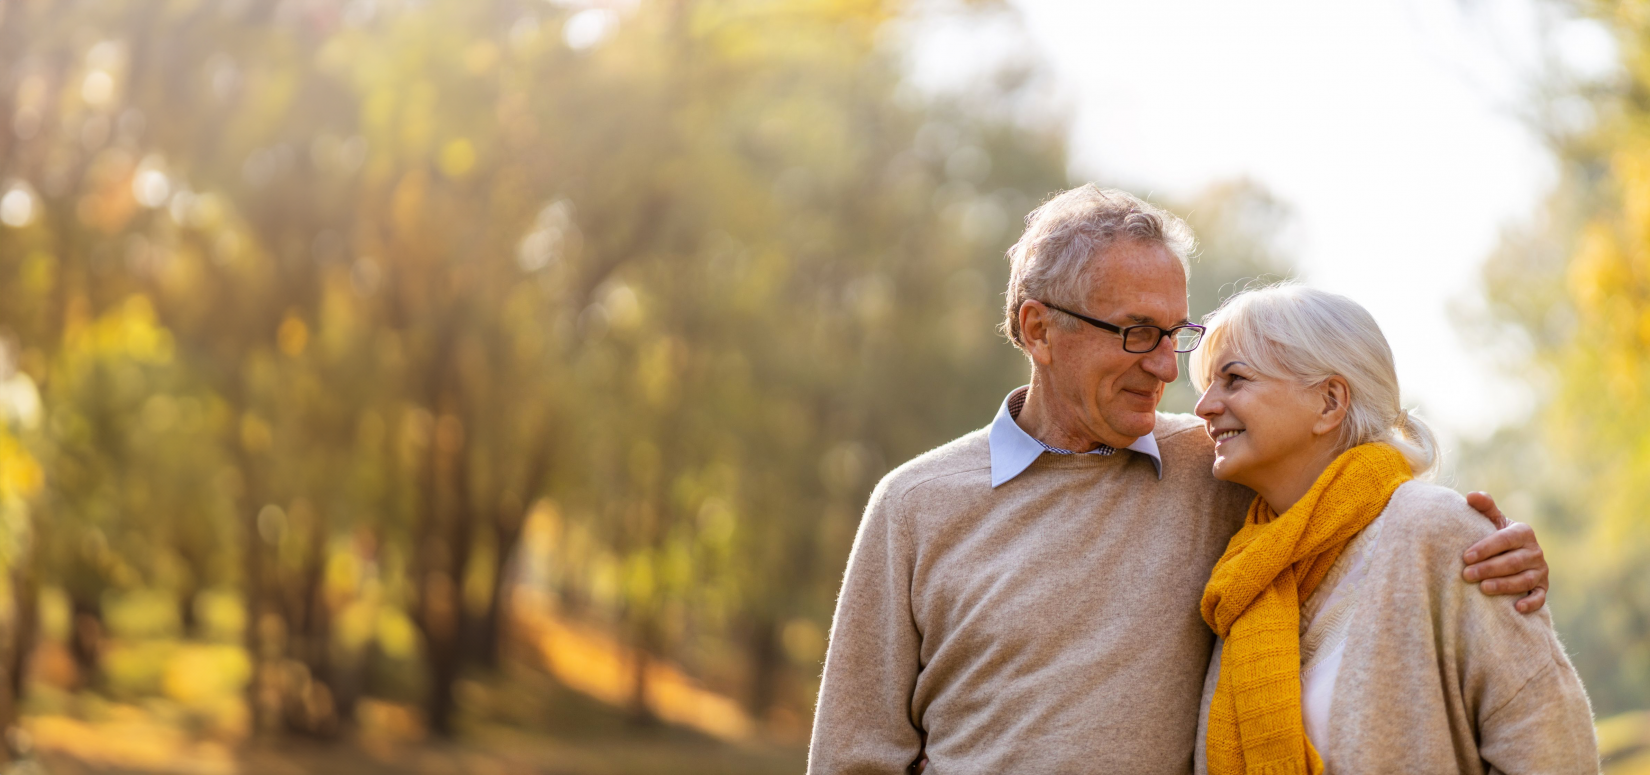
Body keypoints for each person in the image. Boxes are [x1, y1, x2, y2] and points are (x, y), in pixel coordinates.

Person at [807, 185, 1553, 774]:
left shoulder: (1222, 466)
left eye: (1176, 333)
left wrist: (1492, 553)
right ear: (1038, 329)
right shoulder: (914, 505)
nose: (1167, 367)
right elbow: (853, 756)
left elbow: (1355, 491)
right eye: (1137, 332)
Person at [1190, 284, 1597, 774]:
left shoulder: (1439, 532)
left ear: (1329, 401)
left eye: (1234, 380)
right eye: (1207, 386)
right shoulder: (1246, 573)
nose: (1203, 407)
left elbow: (1552, 747)